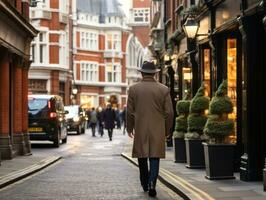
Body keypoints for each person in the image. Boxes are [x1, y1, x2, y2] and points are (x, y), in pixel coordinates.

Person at [127, 61, 174, 197]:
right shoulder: (164, 89)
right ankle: (152, 183)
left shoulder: (134, 89)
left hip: (140, 128)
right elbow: (169, 112)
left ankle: (144, 182)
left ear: (142, 73)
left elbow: (129, 111)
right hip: (157, 129)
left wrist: (130, 127)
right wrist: (167, 129)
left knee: (142, 157)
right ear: (154, 74)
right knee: (154, 157)